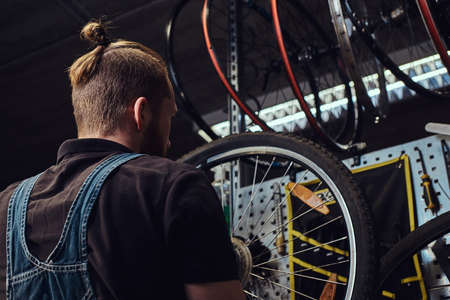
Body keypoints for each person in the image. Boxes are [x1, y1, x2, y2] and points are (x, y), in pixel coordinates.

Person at [0, 21, 245, 300]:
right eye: (169, 117)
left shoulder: (5, 208)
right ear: (141, 113)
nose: (169, 141)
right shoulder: (174, 185)